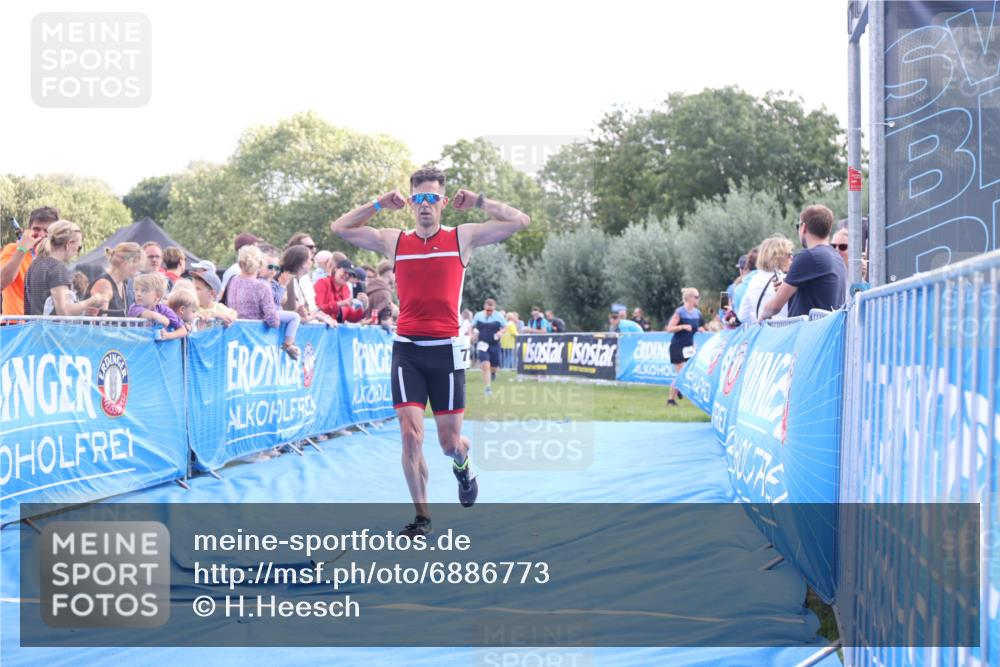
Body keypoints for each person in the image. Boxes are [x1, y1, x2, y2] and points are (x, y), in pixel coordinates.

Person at [331, 166, 530, 536]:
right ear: (410, 203)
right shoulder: (395, 240)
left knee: (449, 444)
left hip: (447, 352)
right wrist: (377, 204)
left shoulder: (462, 237)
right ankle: (422, 517)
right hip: (407, 349)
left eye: (432, 199)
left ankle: (464, 464)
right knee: (410, 435)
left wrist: (480, 202)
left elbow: (521, 221)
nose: (425, 206)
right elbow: (340, 229)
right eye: (418, 199)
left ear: (442, 202)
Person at [760, 205, 847, 319]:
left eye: (798, 226)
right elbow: (820, 297)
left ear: (804, 227)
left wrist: (761, 318)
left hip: (810, 333)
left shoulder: (808, 256)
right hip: (826, 331)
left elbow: (774, 307)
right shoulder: (837, 257)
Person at [225, 245, 300, 359]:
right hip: (255, 340)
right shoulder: (261, 286)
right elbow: (272, 320)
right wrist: (278, 323)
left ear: (240, 264)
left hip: (235, 334)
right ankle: (289, 344)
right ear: (260, 265)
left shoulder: (233, 280)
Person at [23, 220, 109, 316]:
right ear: (69, 244)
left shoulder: (35, 264)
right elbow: (64, 311)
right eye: (79, 248)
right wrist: (91, 301)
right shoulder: (57, 268)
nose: (78, 253)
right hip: (50, 330)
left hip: (32, 329)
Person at [1, 206, 59, 316]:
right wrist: (22, 249)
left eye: (47, 231)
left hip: (43, 327)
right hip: (16, 326)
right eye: (36, 229)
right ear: (28, 230)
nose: (41, 234)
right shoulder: (13, 249)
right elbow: (1, 282)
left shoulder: (55, 258)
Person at [738, 235, 794, 324]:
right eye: (788, 254)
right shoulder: (785, 280)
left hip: (763, 334)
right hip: (785, 333)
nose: (792, 257)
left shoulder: (753, 280)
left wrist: (759, 318)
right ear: (777, 257)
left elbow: (742, 316)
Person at [665, 288, 706, 406]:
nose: (698, 299)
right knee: (681, 373)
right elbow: (669, 328)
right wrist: (682, 327)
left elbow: (700, 326)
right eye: (696, 297)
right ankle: (671, 400)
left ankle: (680, 388)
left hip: (689, 346)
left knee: (690, 372)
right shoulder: (680, 312)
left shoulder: (697, 313)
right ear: (689, 298)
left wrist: (700, 329)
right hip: (678, 345)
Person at [86, 242, 144, 317]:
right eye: (137, 262)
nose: (139, 267)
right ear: (127, 262)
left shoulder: (123, 284)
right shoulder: (104, 284)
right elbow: (98, 322)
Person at [128, 273, 186, 340]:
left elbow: (183, 330)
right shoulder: (134, 308)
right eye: (136, 290)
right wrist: (161, 318)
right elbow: (151, 315)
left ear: (157, 296)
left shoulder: (163, 309)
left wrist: (168, 335)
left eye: (144, 290)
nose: (138, 294)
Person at [472, 298, 506, 396]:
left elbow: (505, 327)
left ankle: (493, 373)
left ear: (494, 308)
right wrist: (471, 334)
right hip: (482, 344)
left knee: (494, 367)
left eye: (491, 310)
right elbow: (472, 326)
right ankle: (487, 387)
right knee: (485, 365)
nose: (489, 312)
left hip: (495, 344)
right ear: (484, 307)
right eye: (487, 310)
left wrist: (501, 332)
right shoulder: (478, 315)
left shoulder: (499, 316)